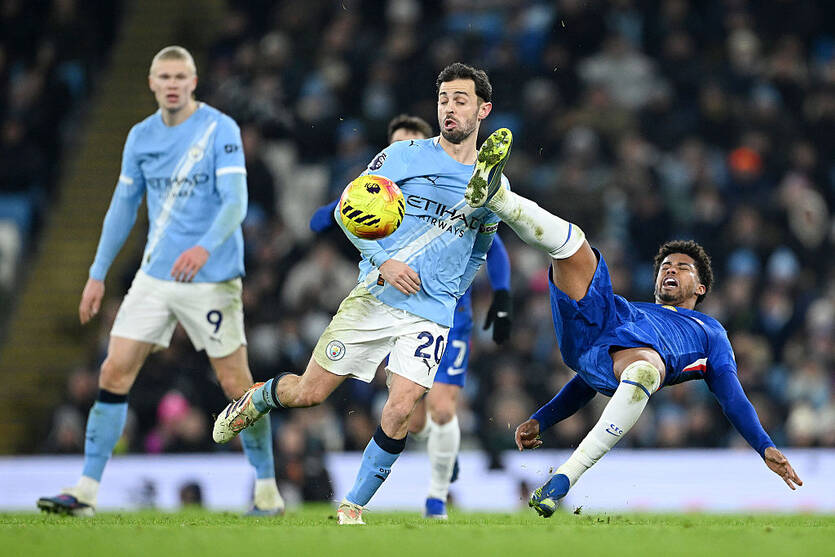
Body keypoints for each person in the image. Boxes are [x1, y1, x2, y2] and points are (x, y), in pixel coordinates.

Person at [213, 62, 512, 525]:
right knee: (309, 394)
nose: (449, 109)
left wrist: (454, 291)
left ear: (483, 109)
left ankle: (351, 506)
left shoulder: (492, 184)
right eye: (444, 100)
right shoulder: (405, 156)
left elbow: (482, 246)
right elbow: (347, 212)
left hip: (431, 313)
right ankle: (260, 398)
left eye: (461, 100)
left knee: (402, 410)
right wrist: (384, 262)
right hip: (376, 297)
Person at [464, 141, 803, 517]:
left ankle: (562, 480)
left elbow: (732, 398)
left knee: (644, 368)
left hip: (629, 364)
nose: (671, 269)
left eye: (682, 267)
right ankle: (496, 197)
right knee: (573, 245)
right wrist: (543, 418)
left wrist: (764, 445)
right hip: (599, 324)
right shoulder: (634, 309)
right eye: (665, 266)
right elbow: (585, 380)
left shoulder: (711, 332)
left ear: (702, 288)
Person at [37, 46, 283, 517]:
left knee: (238, 385)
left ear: (193, 82)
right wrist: (96, 274)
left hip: (212, 278)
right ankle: (86, 492)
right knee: (112, 372)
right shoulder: (141, 137)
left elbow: (236, 202)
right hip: (155, 276)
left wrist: (203, 248)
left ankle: (267, 489)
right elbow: (122, 208)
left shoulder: (220, 129)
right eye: (163, 76)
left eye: (180, 76)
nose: (172, 84)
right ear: (152, 84)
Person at [308, 113, 513, 519]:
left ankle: (437, 497)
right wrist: (348, 203)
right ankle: (442, 453)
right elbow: (320, 222)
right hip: (390, 301)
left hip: (448, 310)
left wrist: (502, 294)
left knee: (441, 408)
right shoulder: (385, 189)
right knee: (413, 419)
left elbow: (493, 245)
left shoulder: (458, 183)